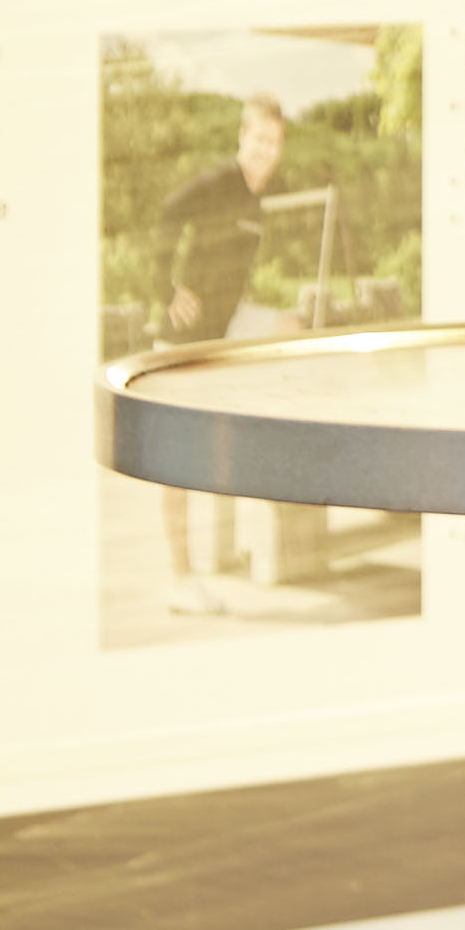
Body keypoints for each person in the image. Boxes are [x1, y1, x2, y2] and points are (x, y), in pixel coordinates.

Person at [151, 94, 287, 610]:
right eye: (257, 139)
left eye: (272, 142)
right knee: (175, 460)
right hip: (183, 340)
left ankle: (254, 530)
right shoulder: (219, 184)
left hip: (220, 336)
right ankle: (180, 577)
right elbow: (167, 213)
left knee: (291, 329)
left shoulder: (256, 205)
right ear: (241, 138)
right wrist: (166, 289)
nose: (263, 150)